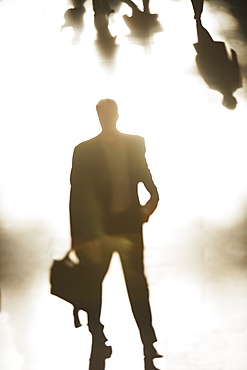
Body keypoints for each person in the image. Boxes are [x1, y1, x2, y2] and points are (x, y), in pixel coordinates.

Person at [69, 99, 161, 369]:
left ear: (116, 116)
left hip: (126, 226)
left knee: (132, 285)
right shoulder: (84, 151)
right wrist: (78, 236)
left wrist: (152, 199)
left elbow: (144, 174)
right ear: (100, 117)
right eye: (103, 115)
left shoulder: (133, 144)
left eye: (109, 115)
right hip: (101, 229)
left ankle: (144, 340)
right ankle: (101, 334)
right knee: (100, 284)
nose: (106, 119)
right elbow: (77, 196)